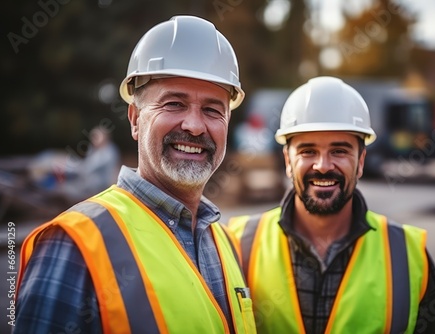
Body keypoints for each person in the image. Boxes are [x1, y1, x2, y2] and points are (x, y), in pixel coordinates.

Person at [15, 15, 256, 333]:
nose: (195, 126)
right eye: (173, 104)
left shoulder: (223, 242)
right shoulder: (75, 244)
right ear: (135, 119)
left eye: (212, 110)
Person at [228, 76, 435, 333]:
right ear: (288, 161)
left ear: (361, 161)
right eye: (308, 151)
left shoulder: (409, 256)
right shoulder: (238, 244)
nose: (323, 166)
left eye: (339, 151)